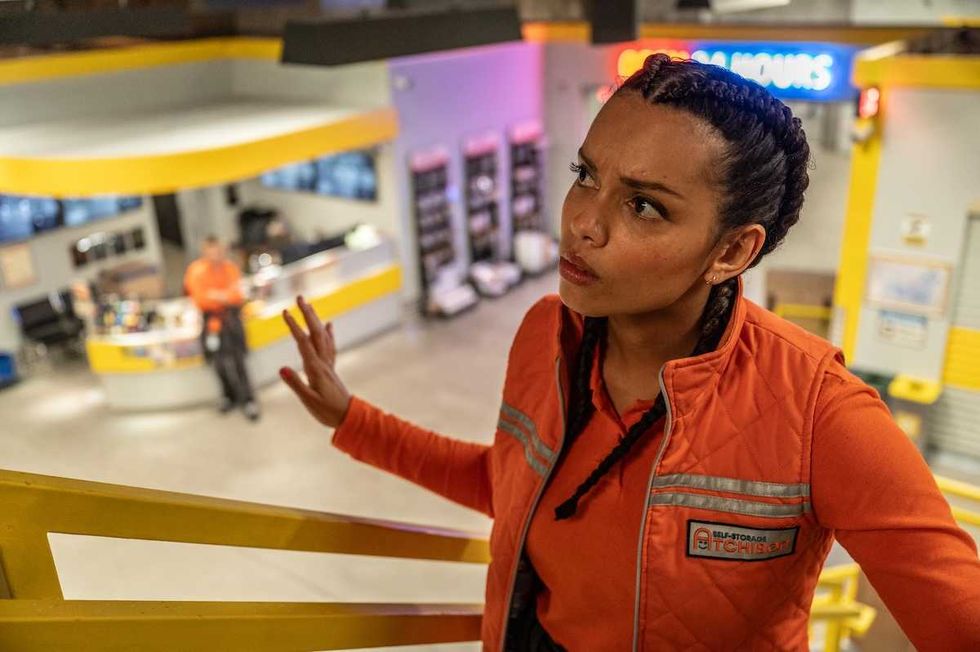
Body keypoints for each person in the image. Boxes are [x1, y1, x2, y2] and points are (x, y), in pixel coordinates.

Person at [278, 54, 980, 651]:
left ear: (732, 251)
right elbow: (515, 486)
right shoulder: (546, 335)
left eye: (644, 206)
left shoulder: (819, 413)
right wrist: (352, 419)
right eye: (586, 175)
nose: (583, 222)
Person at [184, 235, 259, 422]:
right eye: (211, 252)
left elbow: (237, 296)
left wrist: (216, 295)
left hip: (232, 321)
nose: (216, 255)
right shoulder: (196, 271)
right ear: (204, 252)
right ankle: (228, 396)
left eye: (218, 251)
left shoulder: (230, 268)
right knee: (218, 363)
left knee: (239, 361)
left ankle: (248, 400)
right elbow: (200, 300)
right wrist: (223, 296)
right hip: (211, 323)